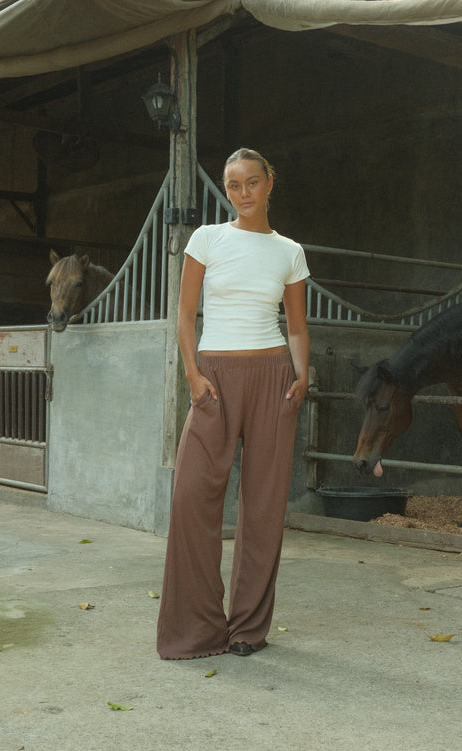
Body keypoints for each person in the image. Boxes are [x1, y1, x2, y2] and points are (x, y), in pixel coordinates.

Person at [156, 147, 310, 660]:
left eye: (251, 182)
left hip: (272, 376)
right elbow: (184, 316)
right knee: (190, 496)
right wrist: (193, 375)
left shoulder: (289, 251)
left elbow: (295, 325)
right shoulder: (207, 239)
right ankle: (197, 630)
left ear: (271, 182)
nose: (242, 193)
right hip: (215, 377)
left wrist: (302, 372)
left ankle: (247, 629)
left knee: (264, 505)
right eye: (233, 184)